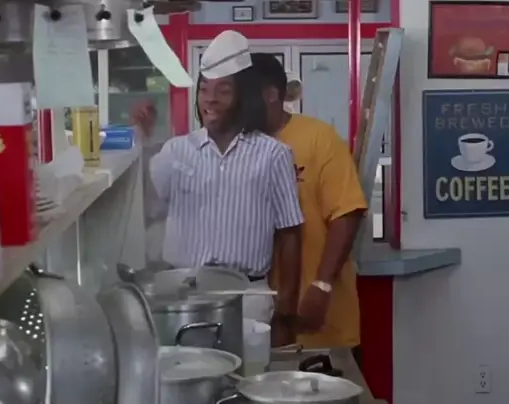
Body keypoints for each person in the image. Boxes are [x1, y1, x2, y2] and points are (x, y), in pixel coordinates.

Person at [131, 32, 304, 334]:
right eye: (204, 90)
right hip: (183, 295)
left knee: (245, 364)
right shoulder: (176, 151)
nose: (210, 99)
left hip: (247, 297)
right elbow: (146, 209)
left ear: (243, 97)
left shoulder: (273, 155)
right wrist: (140, 140)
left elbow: (290, 231)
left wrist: (287, 307)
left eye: (223, 91)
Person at [250, 53, 367, 358]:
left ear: (270, 94)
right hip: (259, 326)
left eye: (242, 93)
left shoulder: (319, 138)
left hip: (320, 320)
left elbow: (347, 212)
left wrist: (322, 285)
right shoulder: (240, 145)